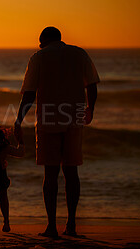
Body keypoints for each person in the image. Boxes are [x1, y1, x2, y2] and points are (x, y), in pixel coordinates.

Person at [14, 26, 99, 237]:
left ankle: (51, 226)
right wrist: (90, 109)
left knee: (50, 174)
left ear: (43, 42)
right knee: (72, 172)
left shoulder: (39, 57)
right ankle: (71, 225)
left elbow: (29, 94)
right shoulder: (79, 53)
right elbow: (92, 85)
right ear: (60, 39)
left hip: (48, 119)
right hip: (74, 118)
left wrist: (18, 120)